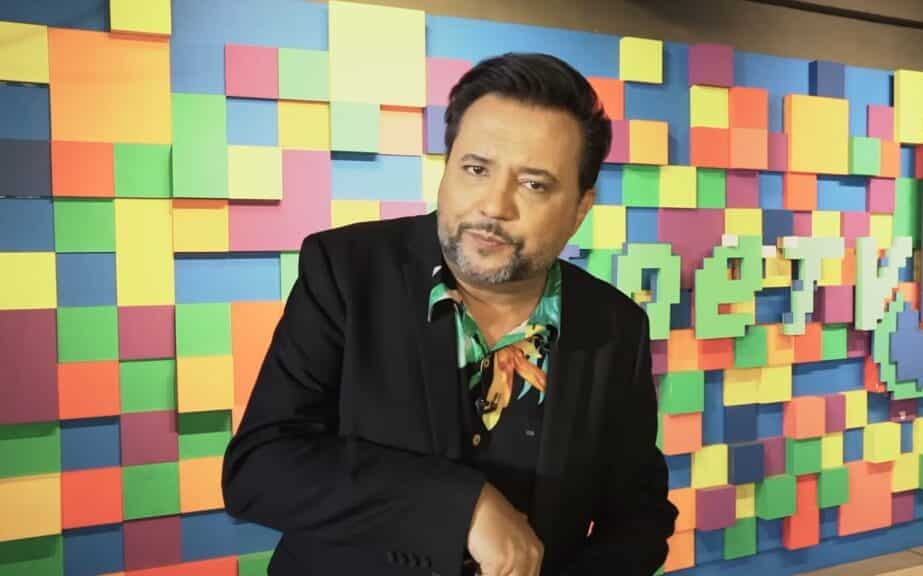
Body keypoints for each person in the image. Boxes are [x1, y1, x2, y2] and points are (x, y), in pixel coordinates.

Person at [222, 52, 678, 576]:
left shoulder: (616, 326)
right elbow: (260, 468)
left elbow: (639, 518)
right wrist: (465, 508)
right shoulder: (347, 271)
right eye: (476, 169)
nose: (494, 205)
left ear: (580, 208)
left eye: (534, 184)